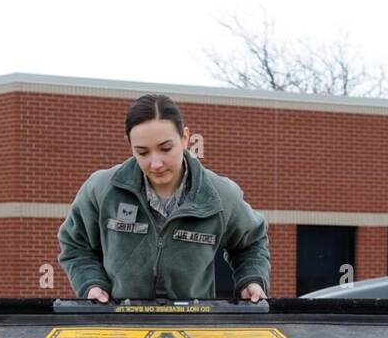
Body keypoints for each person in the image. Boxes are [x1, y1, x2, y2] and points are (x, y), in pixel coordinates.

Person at [58, 93, 270, 303]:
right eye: (142, 152)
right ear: (130, 145)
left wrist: (251, 279)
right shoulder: (101, 190)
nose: (155, 163)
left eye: (166, 148)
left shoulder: (220, 196)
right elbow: (76, 245)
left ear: (185, 138)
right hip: (119, 324)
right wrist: (91, 284)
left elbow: (251, 243)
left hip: (195, 325)